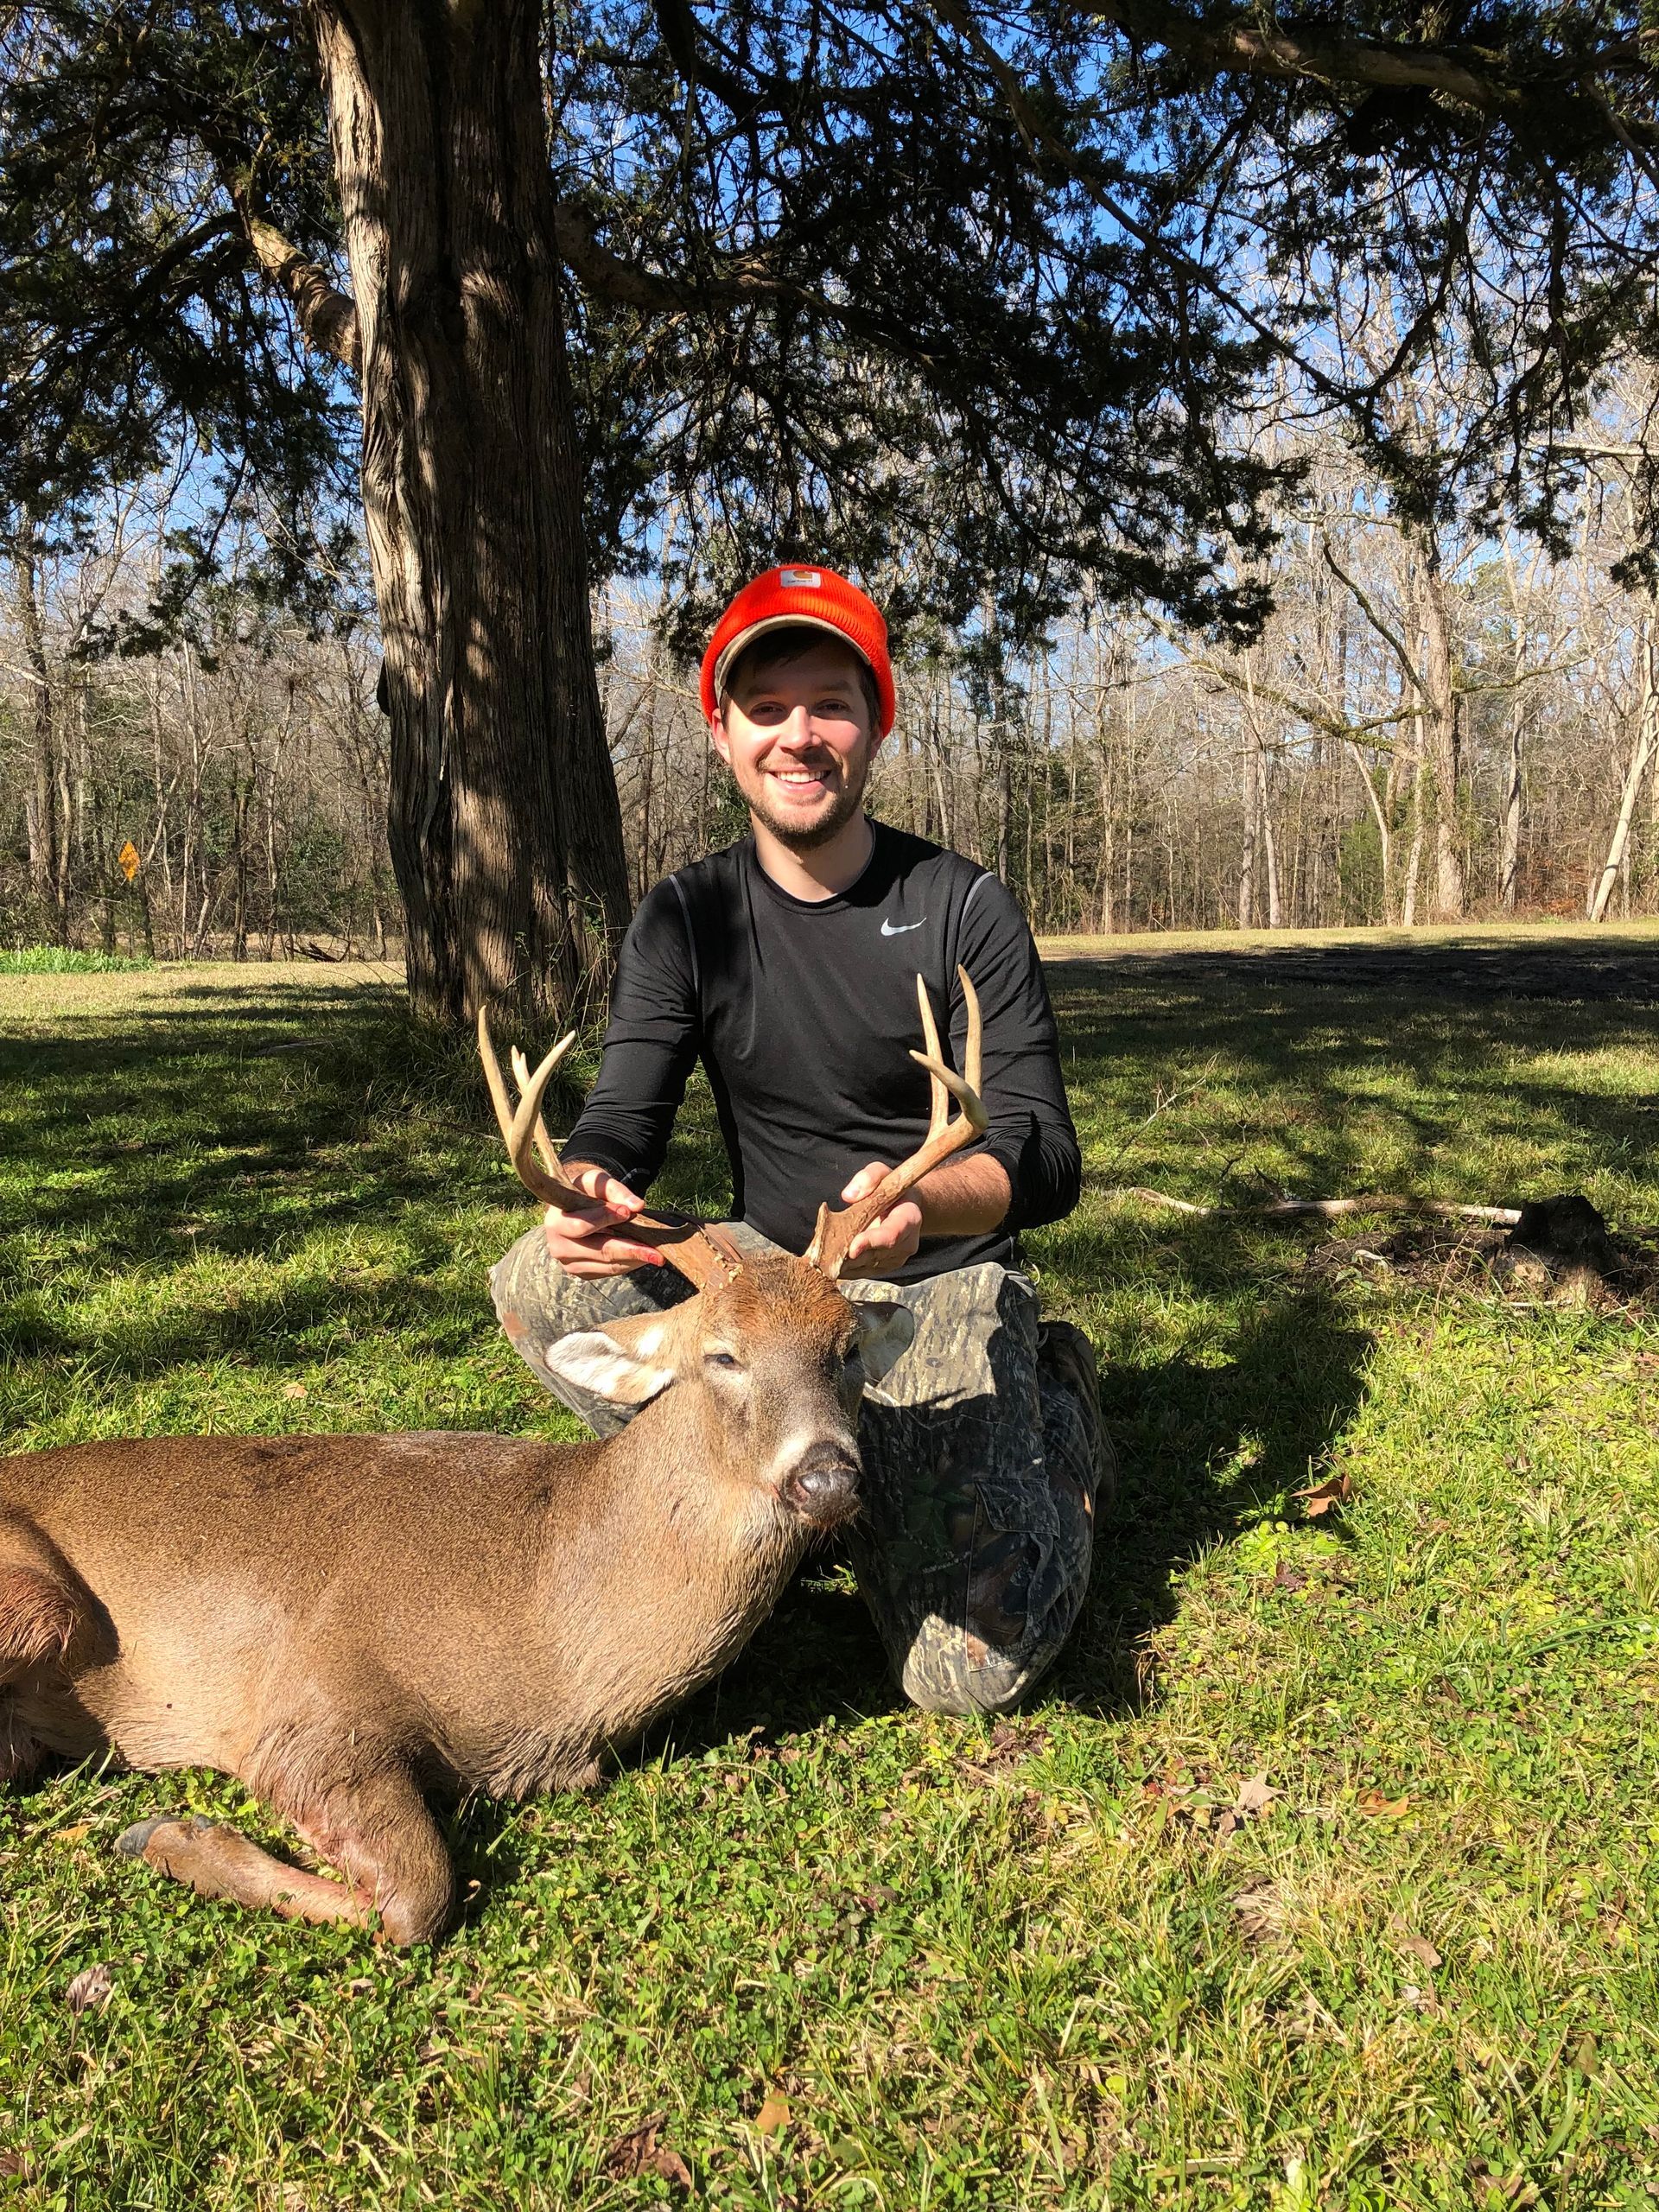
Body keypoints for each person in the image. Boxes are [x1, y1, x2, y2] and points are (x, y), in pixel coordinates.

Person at [490, 564, 1109, 1715]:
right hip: (760, 1278)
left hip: (930, 1288)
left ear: (878, 720)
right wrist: (587, 1185)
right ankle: (790, 1490)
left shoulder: (964, 905)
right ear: (722, 731)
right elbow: (624, 1116)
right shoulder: (688, 914)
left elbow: (1044, 1154)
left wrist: (925, 1207)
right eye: (766, 710)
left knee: (964, 1674)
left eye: (830, 702)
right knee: (538, 1283)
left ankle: (1059, 1409)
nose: (799, 736)